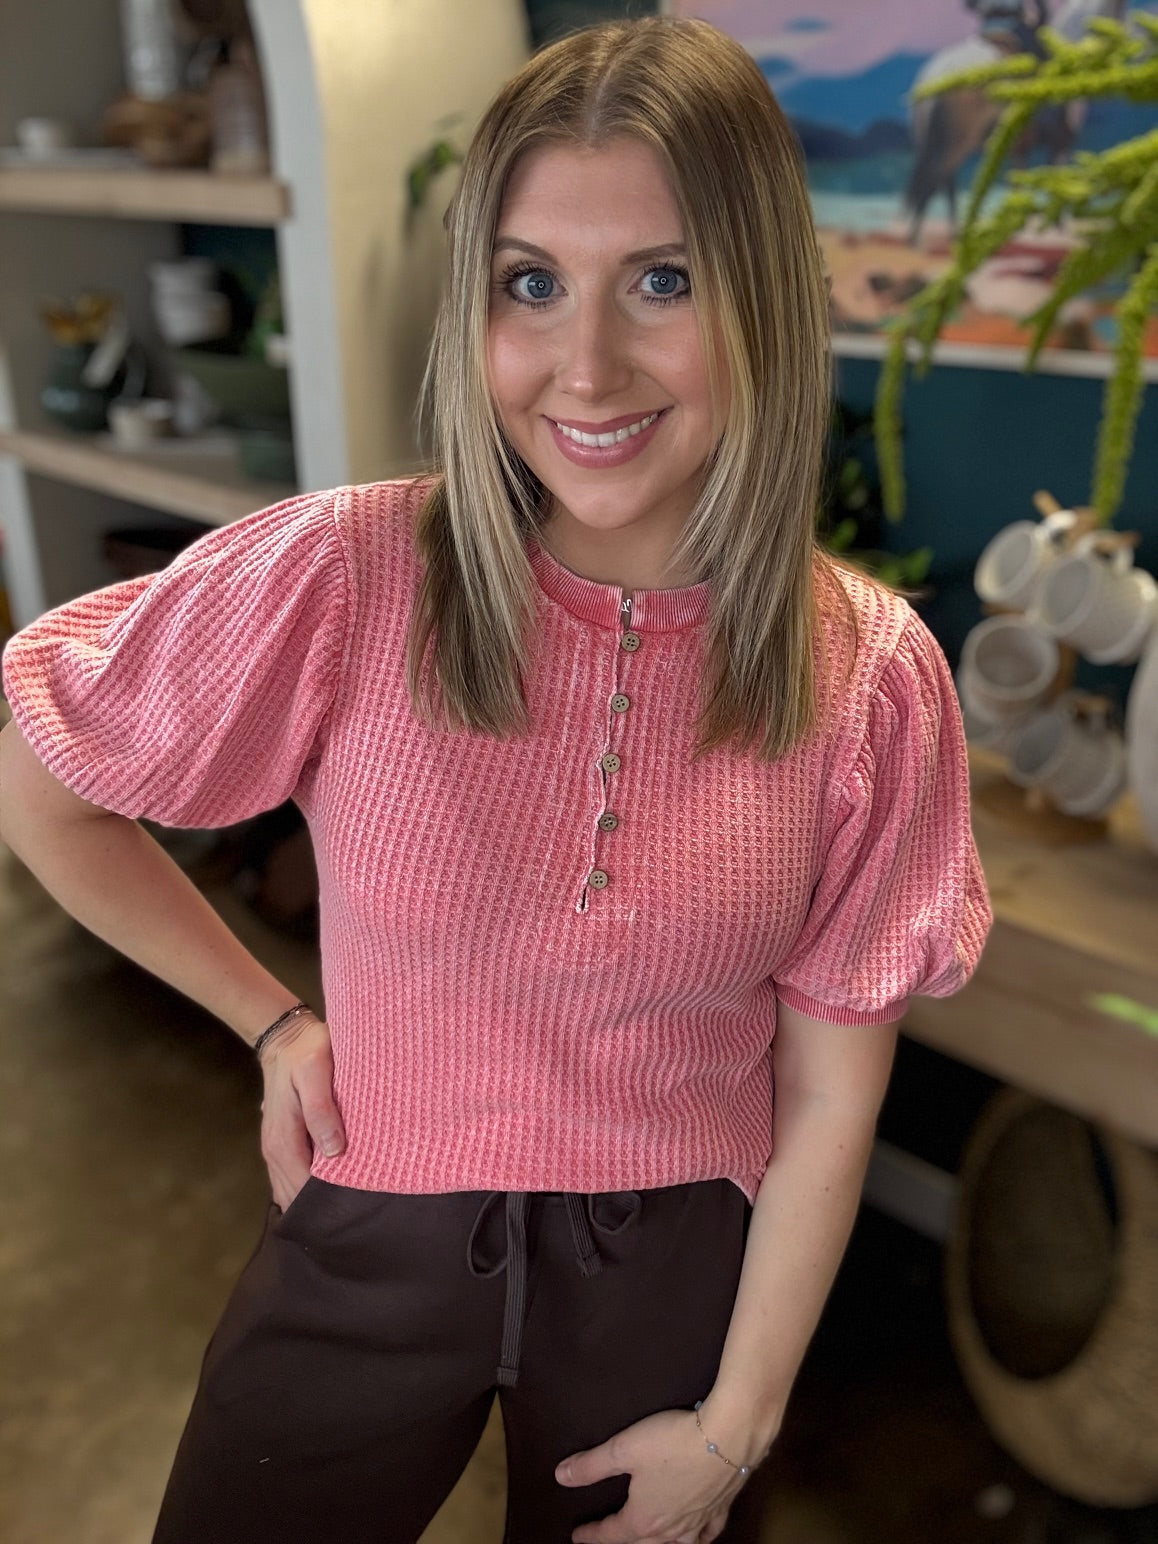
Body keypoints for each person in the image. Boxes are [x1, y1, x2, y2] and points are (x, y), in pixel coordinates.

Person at [0, 17, 991, 1544]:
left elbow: (827, 1093)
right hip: (367, 1227)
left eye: (660, 280)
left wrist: (735, 1429)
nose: (582, 364)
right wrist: (268, 1018)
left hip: (677, 1281)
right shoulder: (345, 574)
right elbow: (45, 782)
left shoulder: (865, 674)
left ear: (763, 302)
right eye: (530, 284)